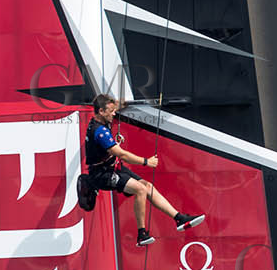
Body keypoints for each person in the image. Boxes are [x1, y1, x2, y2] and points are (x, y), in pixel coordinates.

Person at [79, 94, 203, 247]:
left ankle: (179, 219)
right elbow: (123, 154)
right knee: (140, 189)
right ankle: (142, 235)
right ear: (101, 111)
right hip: (101, 175)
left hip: (113, 168)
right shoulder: (100, 132)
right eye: (111, 111)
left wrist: (123, 103)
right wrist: (147, 162)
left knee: (148, 186)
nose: (114, 113)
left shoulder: (102, 118)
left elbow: (115, 105)